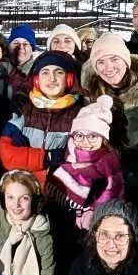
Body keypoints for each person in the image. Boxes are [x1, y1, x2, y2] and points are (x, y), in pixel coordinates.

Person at [83, 36, 138, 204]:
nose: (108, 67)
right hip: (98, 183)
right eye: (101, 62)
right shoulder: (91, 97)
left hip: (135, 186)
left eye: (114, 59)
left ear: (126, 61)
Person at [0, 51, 83, 177]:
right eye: (45, 72)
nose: (52, 78)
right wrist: (48, 158)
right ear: (36, 80)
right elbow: (7, 156)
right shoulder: (22, 110)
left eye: (59, 72)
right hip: (24, 184)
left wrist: (27, 155)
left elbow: (81, 158)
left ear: (69, 79)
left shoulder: (80, 115)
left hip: (59, 186)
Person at [49, 97, 125, 234]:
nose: (85, 142)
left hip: (96, 221)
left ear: (104, 138)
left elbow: (111, 194)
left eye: (93, 136)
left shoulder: (108, 163)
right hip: (67, 221)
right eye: (79, 135)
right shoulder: (69, 157)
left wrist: (93, 212)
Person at [7, 24, 38, 98]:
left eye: (25, 44)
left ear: (32, 50)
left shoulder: (38, 73)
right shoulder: (0, 69)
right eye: (16, 43)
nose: (20, 47)